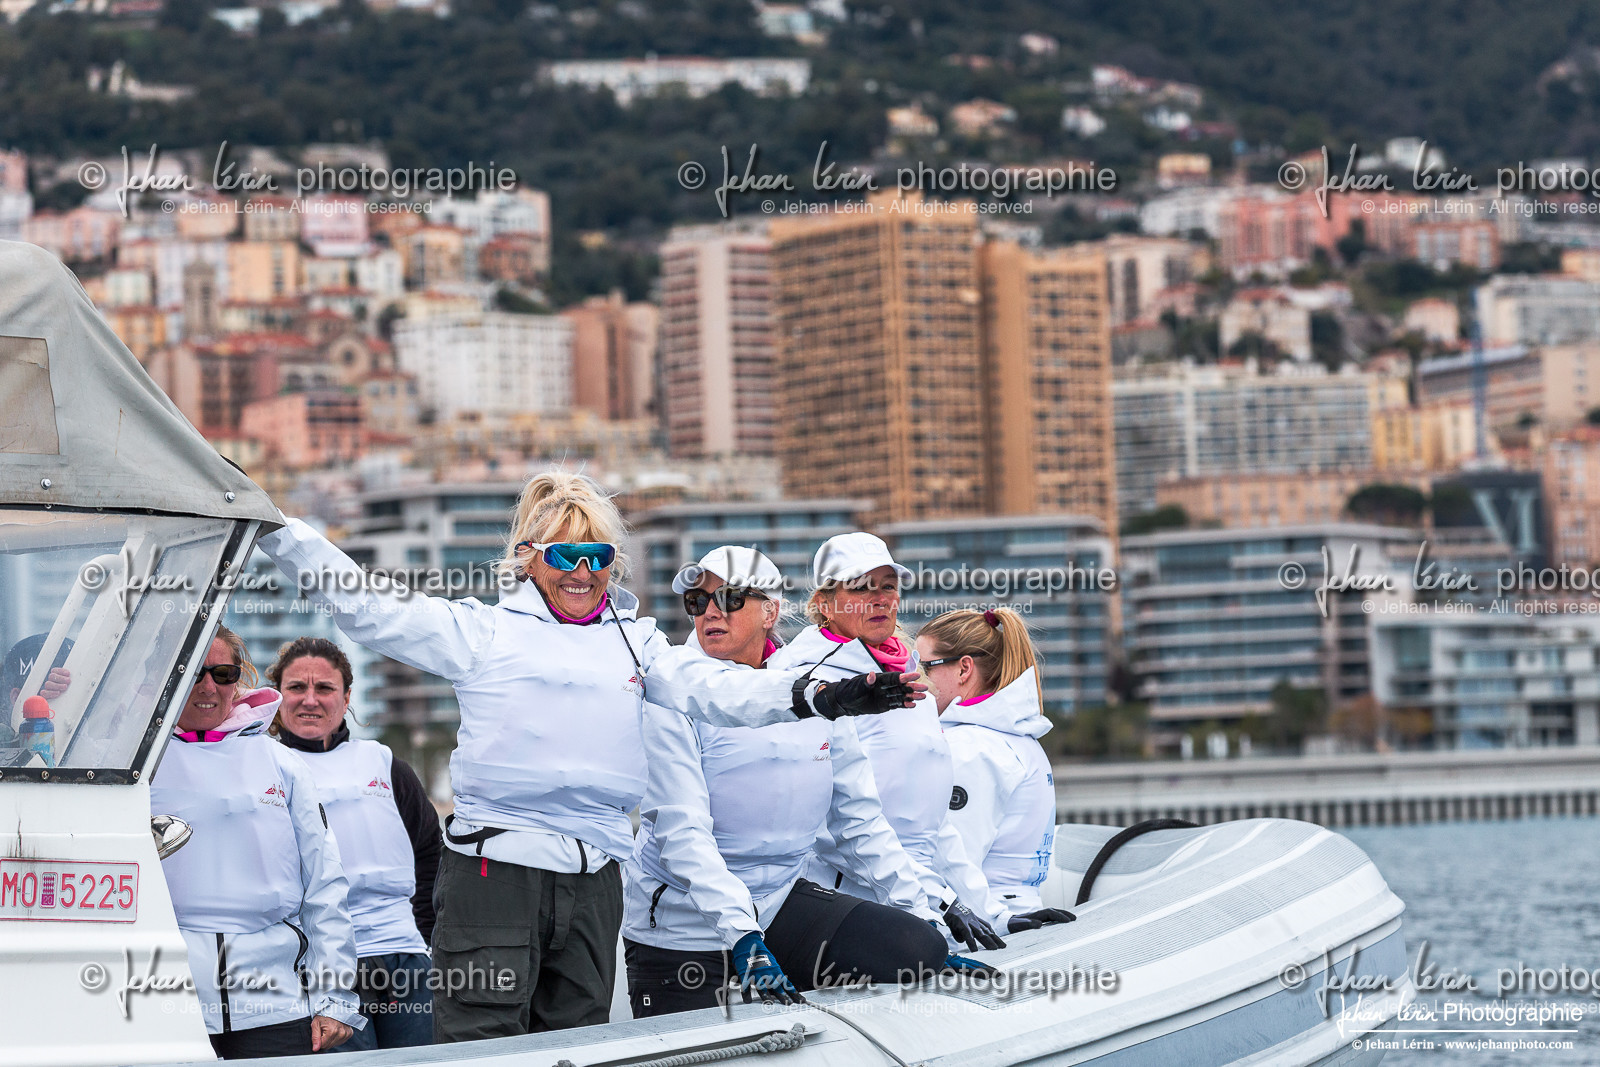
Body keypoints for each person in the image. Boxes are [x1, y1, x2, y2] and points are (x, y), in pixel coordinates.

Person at [256, 473, 923, 1042]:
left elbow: (719, 689)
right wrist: (276, 527)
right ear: (531, 557)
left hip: (596, 881)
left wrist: (825, 693)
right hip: (496, 875)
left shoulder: (637, 644)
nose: (583, 571)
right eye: (565, 554)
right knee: (482, 1044)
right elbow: (368, 606)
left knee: (577, 1044)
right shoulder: (483, 633)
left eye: (597, 555)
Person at [624, 547, 971, 1016]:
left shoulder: (814, 690)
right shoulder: (671, 693)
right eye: (697, 602)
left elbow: (860, 820)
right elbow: (682, 833)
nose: (709, 612)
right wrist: (743, 935)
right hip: (685, 922)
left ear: (770, 611)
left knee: (916, 947)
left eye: (727, 598)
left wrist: (926, 922)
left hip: (780, 901)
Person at [766, 533, 1010, 950]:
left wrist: (995, 914)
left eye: (888, 585)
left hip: (918, 899)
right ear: (824, 603)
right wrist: (940, 900)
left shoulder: (908, 668)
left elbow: (933, 826)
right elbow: (834, 826)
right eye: (861, 587)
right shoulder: (807, 679)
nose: (879, 598)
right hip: (847, 898)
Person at [147, 626, 363, 1059]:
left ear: (238, 679)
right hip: (162, 1005)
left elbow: (325, 887)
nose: (208, 686)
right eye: (192, 672)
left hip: (277, 1009)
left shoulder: (282, 764)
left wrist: (336, 998)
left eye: (223, 673)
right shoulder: (133, 768)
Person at [266, 636, 441, 1051]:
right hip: (322, 971)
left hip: (405, 959)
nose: (310, 700)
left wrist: (425, 936)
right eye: (296, 688)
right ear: (277, 697)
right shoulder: (265, 768)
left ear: (346, 698)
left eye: (324, 688)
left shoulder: (383, 763)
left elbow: (430, 853)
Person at [916, 608, 1074, 931]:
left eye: (923, 667)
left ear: (964, 669)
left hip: (981, 931)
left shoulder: (970, 748)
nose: (914, 678)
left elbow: (951, 863)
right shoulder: (1021, 739)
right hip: (1014, 917)